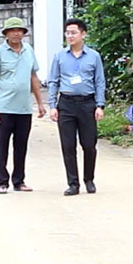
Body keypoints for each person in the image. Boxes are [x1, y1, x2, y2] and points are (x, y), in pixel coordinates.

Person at [47, 17, 106, 196]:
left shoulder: (94, 56)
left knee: (89, 144)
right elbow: (53, 81)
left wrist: (100, 105)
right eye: (67, 33)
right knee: (68, 145)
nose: (70, 36)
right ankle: (73, 183)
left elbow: (99, 82)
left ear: (83, 34)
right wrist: (52, 105)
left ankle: (89, 179)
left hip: (87, 103)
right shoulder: (59, 56)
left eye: (73, 32)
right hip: (66, 104)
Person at [0, 17, 46, 194]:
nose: (16, 33)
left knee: (21, 146)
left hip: (24, 109)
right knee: (1, 146)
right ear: (6, 33)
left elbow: (33, 77)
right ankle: (2, 181)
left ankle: (19, 180)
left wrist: (40, 103)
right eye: (12, 30)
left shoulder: (28, 50)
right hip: (4, 108)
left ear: (23, 33)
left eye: (19, 30)